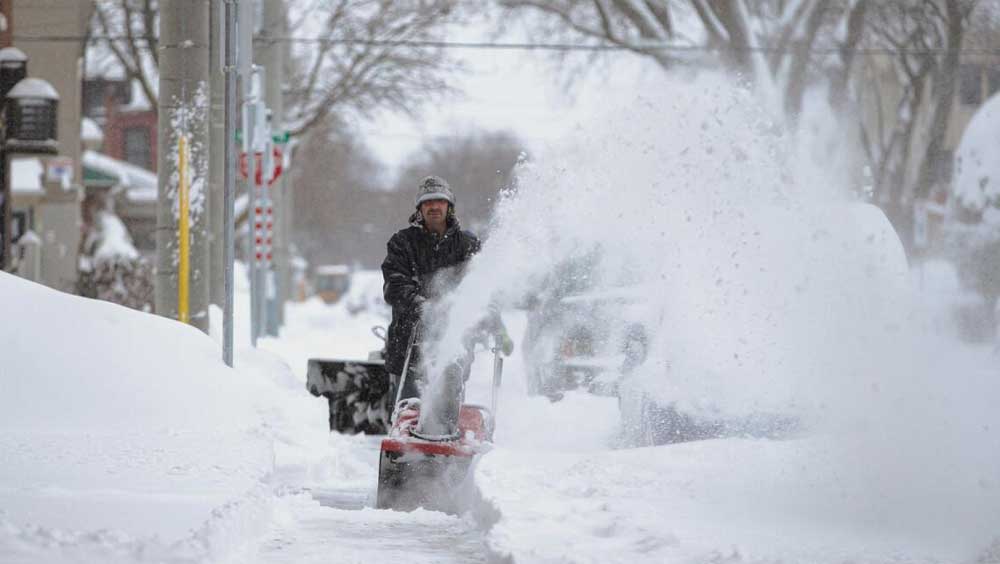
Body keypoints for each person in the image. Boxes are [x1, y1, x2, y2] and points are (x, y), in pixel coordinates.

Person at [381, 175, 483, 427]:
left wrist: (486, 317)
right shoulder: (402, 242)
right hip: (409, 344)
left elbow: (480, 285)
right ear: (419, 209)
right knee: (409, 414)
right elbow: (395, 286)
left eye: (440, 201)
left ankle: (447, 458)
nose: (434, 207)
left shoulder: (468, 245)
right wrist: (423, 308)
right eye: (428, 203)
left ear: (450, 207)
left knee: (448, 414)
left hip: (454, 343)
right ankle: (407, 460)